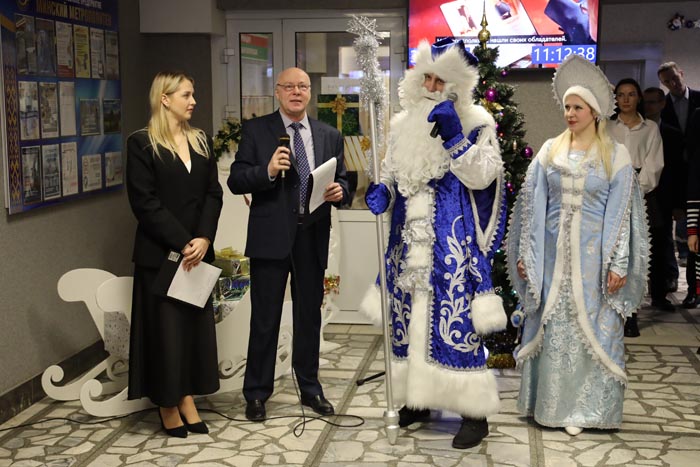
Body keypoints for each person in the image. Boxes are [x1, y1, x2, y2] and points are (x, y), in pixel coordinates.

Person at [359, 38, 508, 450]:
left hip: (452, 244)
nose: (430, 86)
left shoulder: (477, 122)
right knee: (407, 322)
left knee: (456, 322)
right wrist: (384, 191)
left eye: (440, 80)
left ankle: (473, 413)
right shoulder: (402, 124)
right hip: (407, 244)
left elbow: (484, 177)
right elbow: (391, 172)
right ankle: (417, 399)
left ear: (457, 85)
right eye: (426, 77)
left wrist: (455, 137)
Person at [507, 55, 649, 436]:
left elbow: (622, 214)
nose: (570, 114)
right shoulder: (549, 150)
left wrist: (618, 262)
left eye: (577, 108)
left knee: (593, 333)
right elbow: (532, 205)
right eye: (567, 107)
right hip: (553, 260)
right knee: (555, 328)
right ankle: (550, 405)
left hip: (593, 264)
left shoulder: (615, 155)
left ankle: (587, 410)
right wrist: (527, 256)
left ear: (594, 112)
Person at [228, 67, 349, 422]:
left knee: (309, 317)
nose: (296, 92)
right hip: (270, 238)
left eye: (302, 86)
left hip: (312, 236)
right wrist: (266, 171)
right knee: (265, 319)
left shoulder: (329, 134)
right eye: (289, 87)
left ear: (309, 92)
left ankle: (310, 388)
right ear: (278, 93)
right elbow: (236, 180)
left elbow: (343, 179)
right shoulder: (257, 130)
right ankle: (256, 393)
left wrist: (340, 191)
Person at [126, 71, 223, 438]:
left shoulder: (202, 141)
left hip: (198, 255)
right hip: (161, 257)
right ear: (164, 99)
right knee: (166, 334)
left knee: (192, 333)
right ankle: (167, 404)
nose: (193, 101)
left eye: (193, 94)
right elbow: (144, 202)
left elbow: (213, 194)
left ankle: (186, 397)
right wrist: (183, 242)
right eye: (186, 94)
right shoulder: (142, 144)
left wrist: (204, 239)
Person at [608, 78, 667, 339]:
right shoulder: (607, 127)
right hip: (610, 194)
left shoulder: (650, 128)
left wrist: (634, 191)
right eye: (621, 95)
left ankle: (631, 313)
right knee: (611, 253)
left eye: (631, 94)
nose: (626, 99)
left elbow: (655, 164)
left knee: (634, 255)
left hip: (641, 196)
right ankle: (611, 311)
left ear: (639, 97)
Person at [658, 62, 700, 309]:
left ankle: (693, 287)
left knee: (693, 234)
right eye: (667, 81)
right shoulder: (663, 106)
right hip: (674, 174)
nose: (672, 84)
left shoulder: (698, 100)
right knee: (673, 231)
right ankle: (675, 279)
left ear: (681, 74)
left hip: (697, 169)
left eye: (674, 78)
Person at [644, 86, 683, 299]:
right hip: (642, 192)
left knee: (662, 241)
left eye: (652, 102)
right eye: (645, 102)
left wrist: (678, 204)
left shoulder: (672, 133)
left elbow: (678, 171)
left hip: (663, 197)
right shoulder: (637, 129)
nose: (648, 106)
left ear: (662, 104)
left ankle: (662, 288)